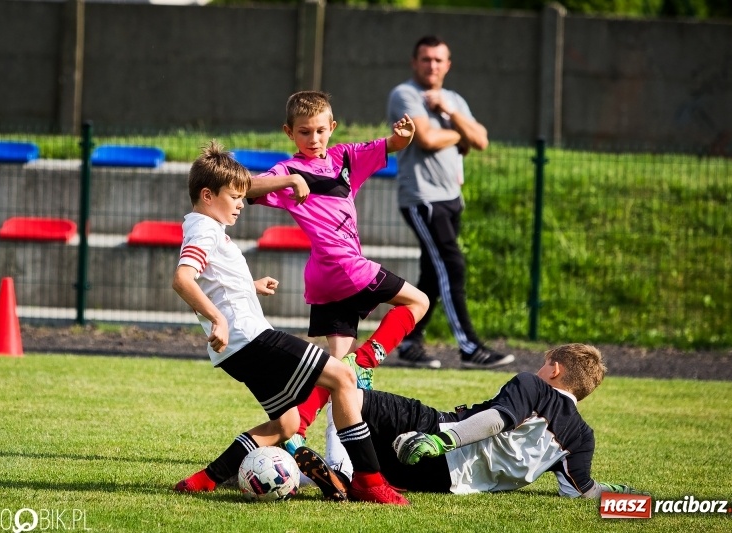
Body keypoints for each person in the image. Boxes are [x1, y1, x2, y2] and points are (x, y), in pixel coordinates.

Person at [170, 140, 408, 505]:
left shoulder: (207, 229)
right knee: (344, 377)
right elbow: (183, 279)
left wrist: (250, 287)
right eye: (235, 196)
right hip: (252, 340)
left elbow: (211, 281)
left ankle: (207, 478)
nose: (240, 204)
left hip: (236, 350)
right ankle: (369, 481)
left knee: (287, 425)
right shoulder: (205, 230)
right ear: (207, 195)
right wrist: (218, 319)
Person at [246, 90, 430, 450]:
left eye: (318, 130)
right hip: (345, 267)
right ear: (289, 133)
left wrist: (403, 138)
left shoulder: (345, 157)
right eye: (303, 132)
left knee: (336, 371)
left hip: (324, 278)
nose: (312, 139)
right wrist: (288, 180)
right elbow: (246, 186)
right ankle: (367, 361)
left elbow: (390, 144)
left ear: (332, 127)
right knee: (418, 302)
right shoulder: (287, 170)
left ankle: (298, 435)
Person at [294, 343, 646, 501]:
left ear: (555, 370)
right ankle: (332, 477)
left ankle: (337, 471)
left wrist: (440, 441)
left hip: (437, 434)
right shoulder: (582, 437)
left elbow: (497, 419)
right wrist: (622, 496)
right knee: (370, 449)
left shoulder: (534, 385)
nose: (540, 369)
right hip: (440, 482)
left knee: (347, 391)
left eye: (545, 364)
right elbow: (582, 491)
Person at [387, 35, 514, 370]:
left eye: (438, 60)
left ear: (448, 64)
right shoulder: (406, 95)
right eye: (426, 59)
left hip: (451, 197)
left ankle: (410, 341)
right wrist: (461, 131)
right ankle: (470, 347)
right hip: (422, 198)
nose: (432, 65)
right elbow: (427, 139)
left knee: (432, 274)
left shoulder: (453, 99)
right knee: (451, 265)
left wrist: (450, 113)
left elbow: (482, 140)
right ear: (415, 63)